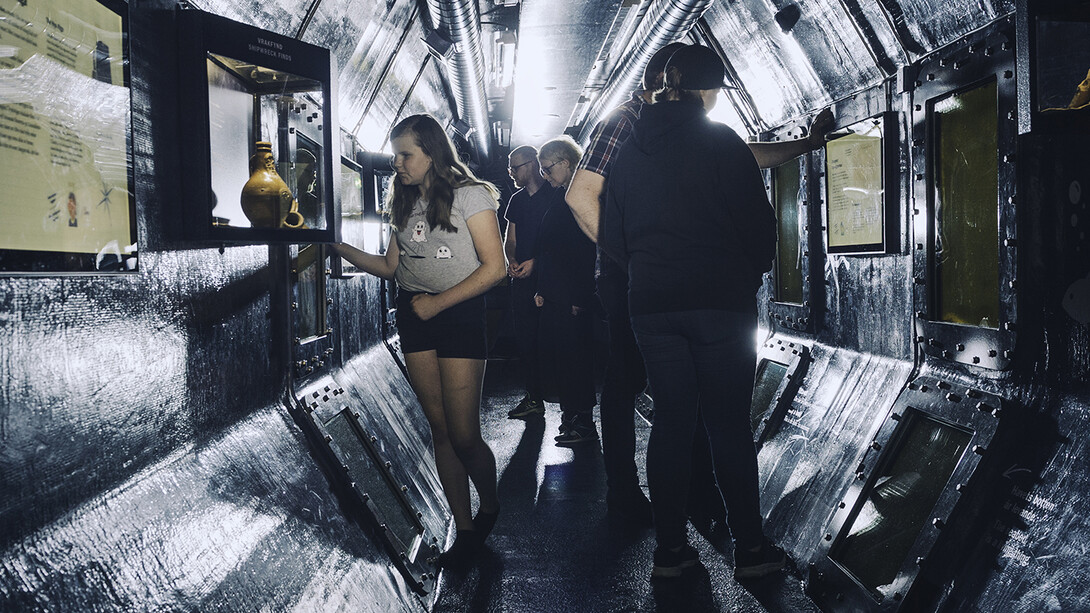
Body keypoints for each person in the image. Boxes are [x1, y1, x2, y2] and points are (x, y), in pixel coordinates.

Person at [565, 43, 834, 527]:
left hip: (653, 287)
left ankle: (686, 516)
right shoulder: (626, 121)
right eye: (710, 93)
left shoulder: (684, 130)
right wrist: (638, 257)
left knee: (671, 409)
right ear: (682, 87)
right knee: (635, 386)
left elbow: (741, 153)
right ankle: (627, 493)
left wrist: (808, 145)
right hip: (641, 280)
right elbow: (582, 195)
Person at [600, 44, 784, 580]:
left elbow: (613, 235)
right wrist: (745, 276)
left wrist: (648, 274)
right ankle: (750, 550)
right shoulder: (722, 142)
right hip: (720, 303)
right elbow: (758, 225)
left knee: (671, 421)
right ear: (706, 91)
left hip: (652, 307)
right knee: (727, 423)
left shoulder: (631, 153)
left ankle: (672, 553)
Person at [330, 114, 505, 568]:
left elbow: (495, 268)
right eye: (396, 155)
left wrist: (438, 303)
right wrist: (338, 248)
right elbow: (391, 267)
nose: (398, 163)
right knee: (441, 429)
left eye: (406, 154)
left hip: (459, 313)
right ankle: (464, 532)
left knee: (466, 435)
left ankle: (490, 503)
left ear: (432, 152)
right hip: (417, 317)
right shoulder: (403, 202)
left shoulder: (472, 196)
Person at [533, 136, 598, 446]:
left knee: (577, 360)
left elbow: (584, 252)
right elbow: (553, 250)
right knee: (565, 360)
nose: (545, 176)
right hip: (559, 294)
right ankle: (572, 418)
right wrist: (543, 289)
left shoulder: (579, 196)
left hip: (572, 296)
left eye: (547, 169)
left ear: (565, 163)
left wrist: (579, 297)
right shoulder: (563, 196)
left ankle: (582, 421)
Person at [502, 146, 556, 420]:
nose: (511, 172)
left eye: (516, 167)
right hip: (521, 280)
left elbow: (559, 243)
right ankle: (534, 397)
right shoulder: (516, 200)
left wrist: (535, 262)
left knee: (551, 340)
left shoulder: (555, 194)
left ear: (532, 165)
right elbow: (510, 240)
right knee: (526, 340)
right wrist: (511, 259)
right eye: (510, 168)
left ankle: (566, 405)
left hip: (548, 279)